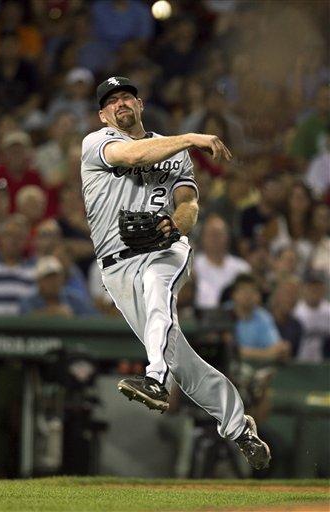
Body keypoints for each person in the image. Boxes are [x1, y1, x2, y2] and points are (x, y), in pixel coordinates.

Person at [80, 75, 271, 470]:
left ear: (140, 103)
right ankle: (240, 428)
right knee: (180, 358)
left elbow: (188, 203)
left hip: (162, 249)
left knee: (157, 289)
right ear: (103, 114)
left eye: (127, 96)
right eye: (112, 100)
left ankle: (153, 381)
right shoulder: (96, 143)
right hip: (116, 265)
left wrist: (177, 225)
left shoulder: (175, 153)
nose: (121, 104)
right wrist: (191, 137)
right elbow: (133, 157)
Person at [229, 274, 291, 362]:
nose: (248, 295)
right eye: (244, 290)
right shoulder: (222, 314)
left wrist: (244, 353)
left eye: (252, 291)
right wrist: (266, 354)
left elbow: (278, 350)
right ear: (234, 294)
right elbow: (228, 352)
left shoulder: (264, 317)